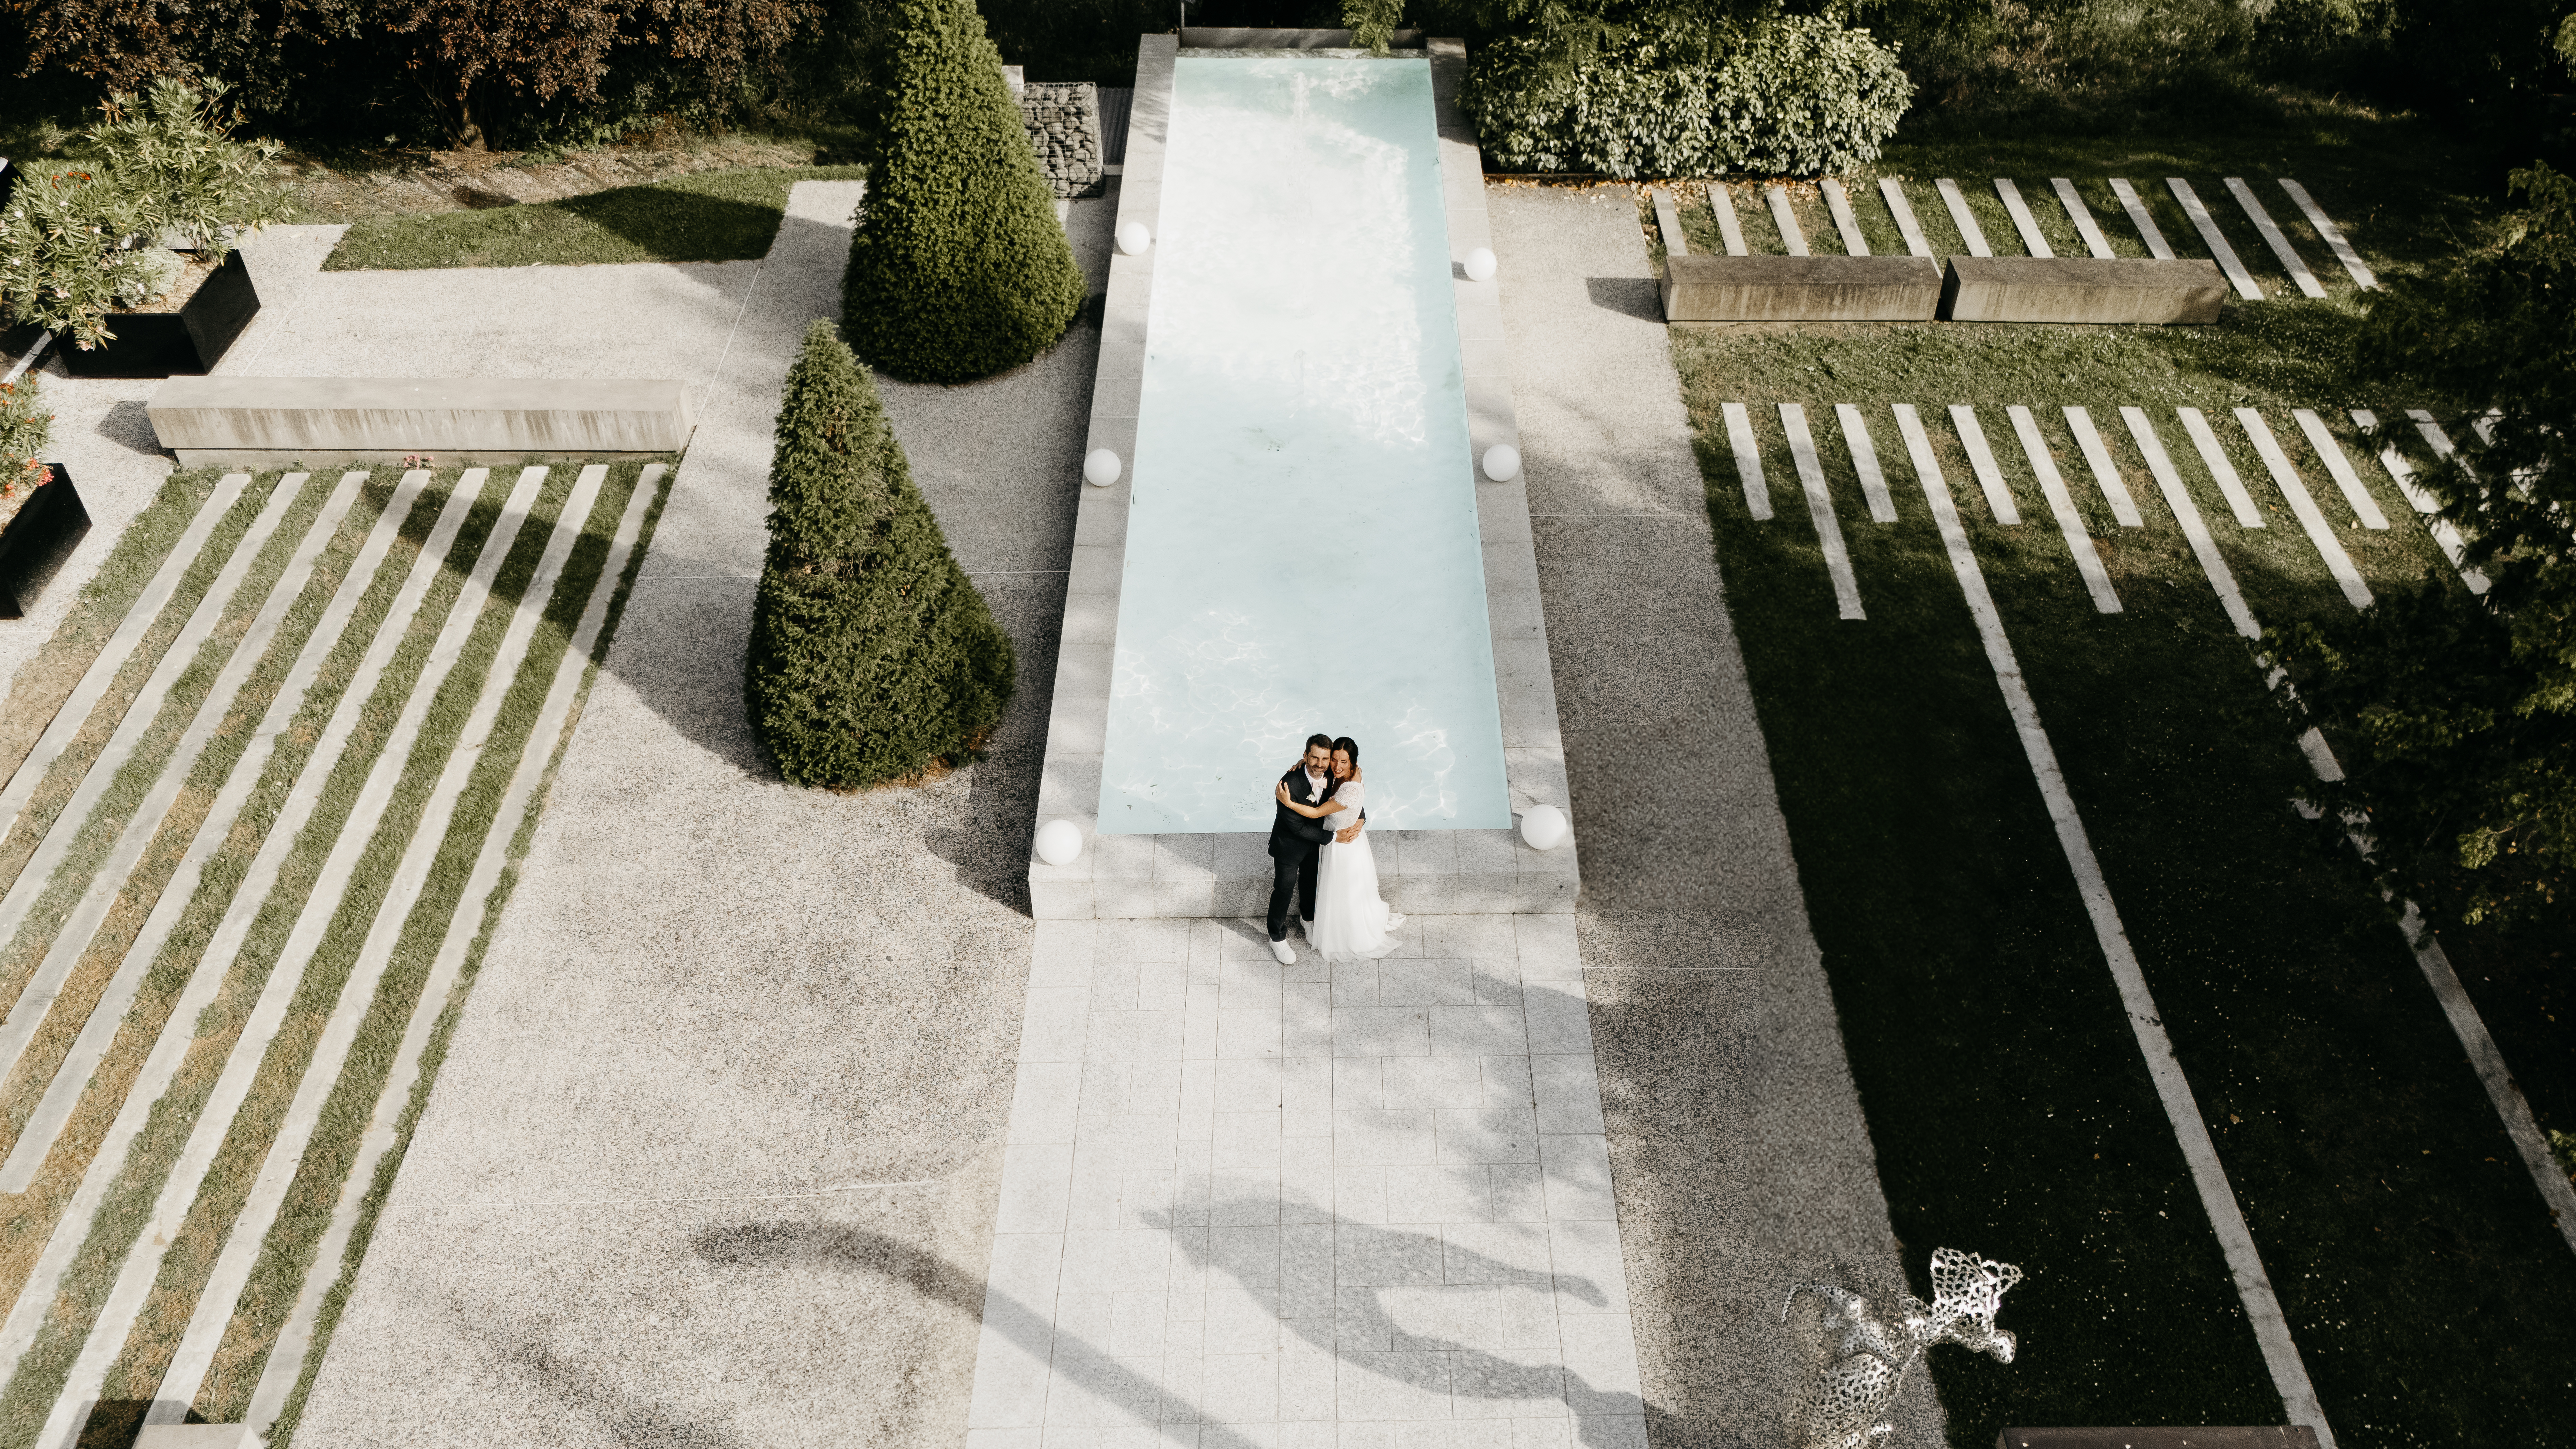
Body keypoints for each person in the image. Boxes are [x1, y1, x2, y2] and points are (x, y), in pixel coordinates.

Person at [1273, 736, 1404, 961]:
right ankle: (1278, 937)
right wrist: (1299, 769)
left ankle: (1323, 924)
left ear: (1353, 762)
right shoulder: (1307, 777)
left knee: (1329, 888)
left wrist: (1360, 817)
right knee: (1289, 886)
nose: (1334, 765)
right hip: (1310, 841)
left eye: (1341, 761)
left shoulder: (1342, 779)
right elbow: (1302, 821)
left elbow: (1347, 799)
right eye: (1332, 759)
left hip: (1337, 842)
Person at [1265, 733, 1362, 965]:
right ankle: (1276, 936)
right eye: (1314, 758)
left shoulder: (1333, 771)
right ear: (1304, 757)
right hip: (1290, 845)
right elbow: (1297, 828)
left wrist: (1361, 817)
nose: (1320, 764)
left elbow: (1351, 791)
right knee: (1284, 888)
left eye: (1324, 759)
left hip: (1316, 846)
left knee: (1311, 882)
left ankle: (1307, 918)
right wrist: (1333, 837)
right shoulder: (1287, 785)